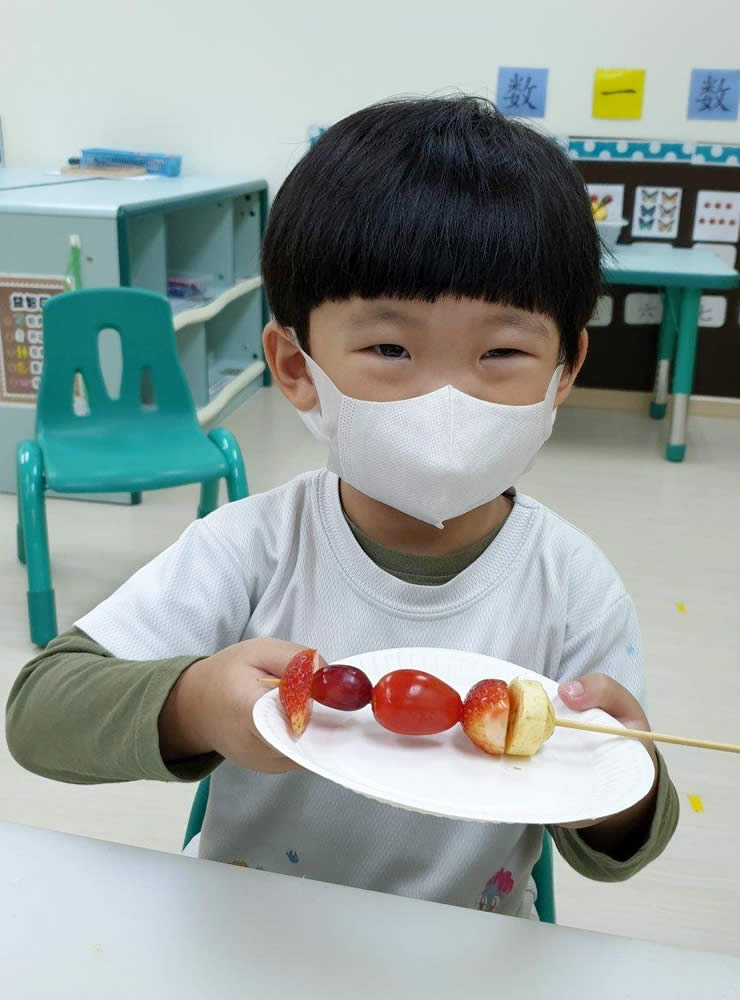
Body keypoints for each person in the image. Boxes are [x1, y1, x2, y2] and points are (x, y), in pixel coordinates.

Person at [6, 96, 678, 918]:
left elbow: (618, 851)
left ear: (564, 370)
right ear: (296, 367)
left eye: (501, 352)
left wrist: (620, 784)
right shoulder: (253, 548)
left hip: (461, 947)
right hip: (254, 932)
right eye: (390, 348)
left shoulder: (572, 585)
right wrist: (196, 704)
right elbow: (38, 712)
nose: (446, 400)